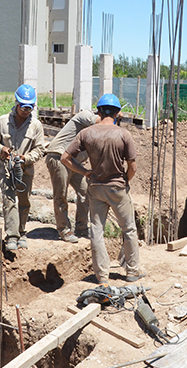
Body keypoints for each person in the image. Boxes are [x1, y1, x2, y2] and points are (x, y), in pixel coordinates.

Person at [61, 94, 144, 285]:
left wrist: (85, 172)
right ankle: (132, 271)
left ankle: (102, 277)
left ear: (98, 111)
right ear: (117, 113)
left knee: (97, 231)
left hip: (96, 187)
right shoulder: (123, 135)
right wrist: (125, 180)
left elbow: (65, 158)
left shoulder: (86, 133)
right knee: (129, 229)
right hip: (117, 188)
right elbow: (133, 166)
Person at [0, 84, 45, 250]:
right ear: (16, 103)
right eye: (23, 106)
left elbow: (40, 149)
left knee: (24, 201)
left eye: (30, 107)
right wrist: (1, 149)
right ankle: (12, 236)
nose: (26, 110)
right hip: (6, 169)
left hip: (25, 170)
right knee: (9, 200)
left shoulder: (36, 126)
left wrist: (26, 158)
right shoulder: (3, 121)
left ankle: (21, 232)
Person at [44, 110, 98, 243]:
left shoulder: (98, 133)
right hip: (58, 157)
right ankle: (64, 229)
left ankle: (81, 227)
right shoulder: (85, 116)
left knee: (86, 193)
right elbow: (99, 122)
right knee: (61, 195)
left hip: (74, 162)